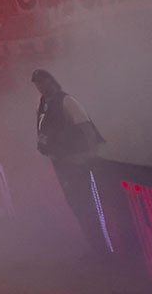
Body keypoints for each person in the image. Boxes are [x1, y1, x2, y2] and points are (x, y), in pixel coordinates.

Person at [31, 69, 108, 251]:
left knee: (85, 203)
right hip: (62, 161)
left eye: (42, 82)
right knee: (76, 203)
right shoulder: (43, 104)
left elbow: (87, 128)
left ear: (51, 80)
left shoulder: (66, 101)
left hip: (76, 162)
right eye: (37, 83)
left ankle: (102, 248)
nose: (40, 86)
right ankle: (95, 247)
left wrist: (88, 156)